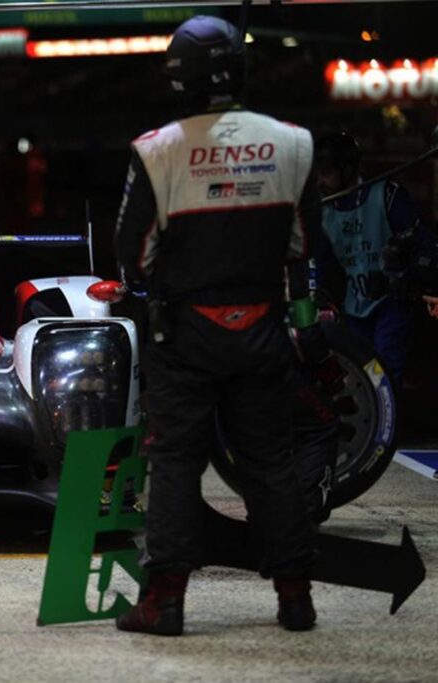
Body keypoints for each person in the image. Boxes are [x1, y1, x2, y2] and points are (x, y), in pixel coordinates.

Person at [113, 16, 320, 635]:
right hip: (263, 327)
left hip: (184, 334)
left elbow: (134, 254)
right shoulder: (295, 144)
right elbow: (303, 245)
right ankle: (295, 599)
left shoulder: (157, 149)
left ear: (180, 75)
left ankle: (164, 603)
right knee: (271, 462)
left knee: (175, 461)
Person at [315, 132, 425, 387]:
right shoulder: (323, 212)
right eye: (317, 175)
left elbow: (420, 241)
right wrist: (320, 293)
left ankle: (391, 422)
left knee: (385, 367)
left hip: (392, 300)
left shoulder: (386, 195)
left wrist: (404, 271)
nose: (320, 182)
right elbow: (320, 261)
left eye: (326, 173)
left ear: (347, 169)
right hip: (354, 305)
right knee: (359, 370)